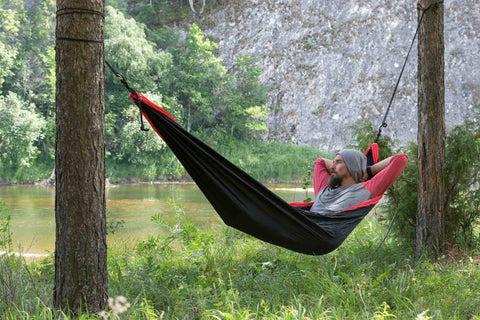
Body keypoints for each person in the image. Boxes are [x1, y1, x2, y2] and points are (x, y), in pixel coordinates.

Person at [310, 149, 408, 214]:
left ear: (352, 167)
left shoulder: (366, 190)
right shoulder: (324, 189)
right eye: (333, 162)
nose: (332, 166)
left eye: (338, 162)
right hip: (305, 226)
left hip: (321, 233)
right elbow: (320, 162)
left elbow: (400, 159)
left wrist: (369, 171)